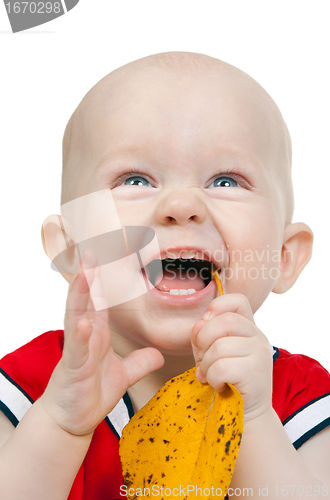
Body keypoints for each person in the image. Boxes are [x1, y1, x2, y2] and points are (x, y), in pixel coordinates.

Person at [0, 52, 329, 500]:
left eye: (226, 181)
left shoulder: (300, 398)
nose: (180, 205)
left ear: (286, 257)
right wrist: (60, 422)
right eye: (135, 180)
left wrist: (252, 421)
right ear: (72, 251)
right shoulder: (32, 385)